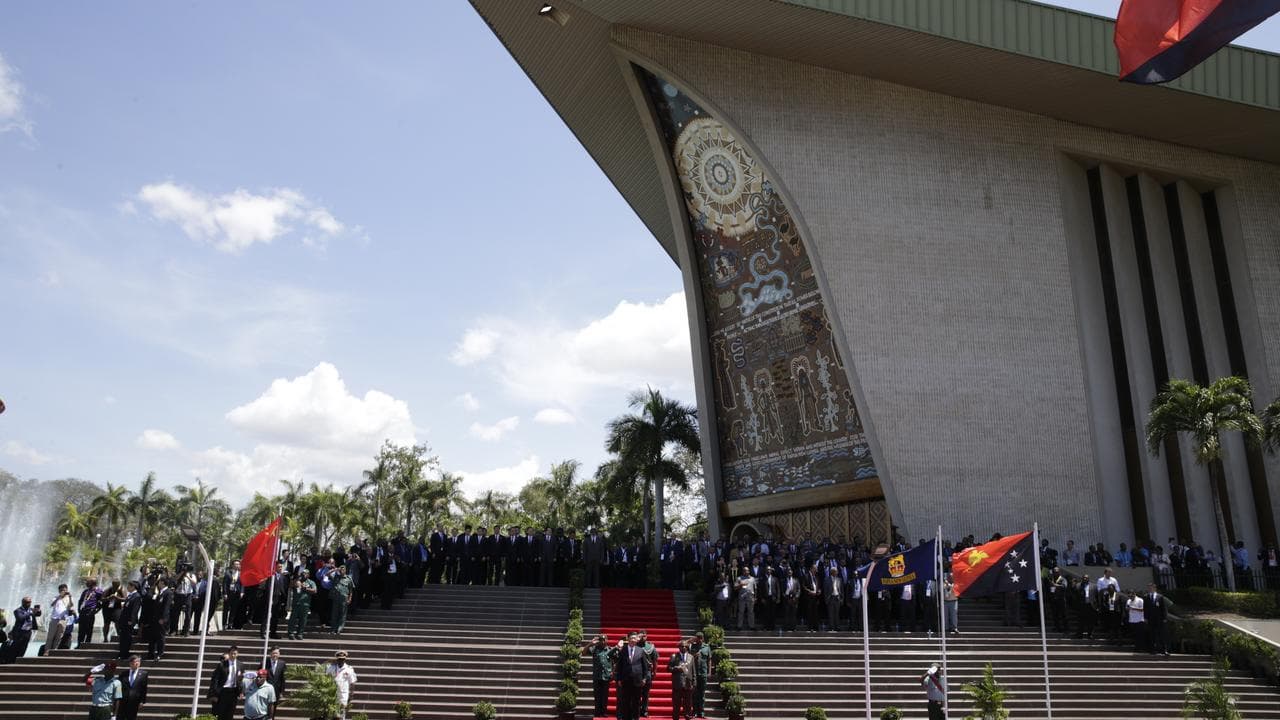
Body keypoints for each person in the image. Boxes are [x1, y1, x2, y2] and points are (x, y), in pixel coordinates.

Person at [614, 632, 650, 720]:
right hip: (625, 680)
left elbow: (645, 666)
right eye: (631, 638)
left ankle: (636, 718)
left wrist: (645, 678)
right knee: (626, 701)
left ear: (637, 640)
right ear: (628, 639)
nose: (633, 640)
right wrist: (618, 679)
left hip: (637, 681)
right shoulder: (623, 650)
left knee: (636, 702)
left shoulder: (640, 650)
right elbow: (619, 666)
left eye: (635, 638)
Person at [208, 645, 242, 720]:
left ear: (237, 654)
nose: (233, 655)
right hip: (223, 692)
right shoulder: (222, 664)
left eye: (235, 653)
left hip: (234, 692)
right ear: (229, 654)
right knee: (221, 714)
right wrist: (215, 693)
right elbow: (215, 680)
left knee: (230, 713)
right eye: (231, 653)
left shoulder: (240, 664)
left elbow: (241, 678)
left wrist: (241, 691)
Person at [325, 650, 358, 720]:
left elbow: (352, 682)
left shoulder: (349, 669)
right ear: (337, 659)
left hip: (343, 693)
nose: (341, 661)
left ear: (345, 659)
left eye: (342, 659)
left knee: (342, 711)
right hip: (332, 693)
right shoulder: (331, 668)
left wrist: (351, 695)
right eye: (339, 659)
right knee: (332, 712)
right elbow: (325, 679)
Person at [668, 640, 695, 720]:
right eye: (681, 646)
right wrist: (676, 668)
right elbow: (668, 668)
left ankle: (687, 716)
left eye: (685, 646)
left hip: (688, 684)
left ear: (687, 648)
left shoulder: (691, 657)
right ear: (679, 647)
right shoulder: (674, 656)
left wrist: (694, 683)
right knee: (676, 704)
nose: (683, 648)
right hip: (677, 684)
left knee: (688, 704)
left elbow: (693, 671)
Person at [587, 634, 613, 717]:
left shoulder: (610, 650)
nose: (603, 641)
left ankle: (604, 712)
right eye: (601, 639)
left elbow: (615, 661)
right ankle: (597, 712)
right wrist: (590, 644)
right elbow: (583, 652)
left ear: (607, 640)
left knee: (605, 696)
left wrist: (613, 672)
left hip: (606, 675)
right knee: (597, 695)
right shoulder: (595, 649)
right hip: (597, 676)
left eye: (604, 639)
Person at [45, 584, 76, 654]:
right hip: (54, 618)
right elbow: (52, 604)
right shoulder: (56, 597)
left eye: (65, 590)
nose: (63, 591)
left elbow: (71, 605)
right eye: (62, 590)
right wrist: (59, 596)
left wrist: (70, 597)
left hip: (63, 619)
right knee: (50, 636)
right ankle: (46, 651)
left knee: (59, 637)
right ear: (59, 591)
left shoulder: (68, 598)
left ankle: (54, 651)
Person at [8, 597, 41, 661]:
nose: (29, 604)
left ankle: (19, 660)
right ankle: (11, 660)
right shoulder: (18, 610)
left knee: (24, 647)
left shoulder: (31, 609)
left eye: (30, 602)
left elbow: (38, 614)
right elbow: (20, 618)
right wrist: (30, 613)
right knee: (16, 646)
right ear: (23, 603)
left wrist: (38, 610)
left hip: (28, 632)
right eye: (27, 602)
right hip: (19, 632)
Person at [287, 570, 316, 640]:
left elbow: (314, 590)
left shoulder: (311, 582)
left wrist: (306, 588)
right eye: (303, 573)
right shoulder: (297, 580)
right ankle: (291, 633)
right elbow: (290, 586)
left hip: (305, 604)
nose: (304, 574)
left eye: (306, 573)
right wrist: (295, 582)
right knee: (292, 619)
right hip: (296, 603)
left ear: (308, 575)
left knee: (303, 620)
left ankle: (300, 633)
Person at [117, 655, 148, 720]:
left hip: (135, 701)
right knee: (120, 717)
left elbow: (144, 688)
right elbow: (119, 687)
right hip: (123, 700)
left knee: (132, 717)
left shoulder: (144, 674)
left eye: (138, 661)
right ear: (130, 663)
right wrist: (117, 699)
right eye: (135, 662)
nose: (137, 663)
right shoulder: (123, 674)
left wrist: (142, 701)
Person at [116, 582, 142, 659]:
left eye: (129, 586)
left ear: (133, 587)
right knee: (123, 637)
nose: (127, 587)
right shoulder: (130, 596)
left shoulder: (137, 596)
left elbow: (135, 610)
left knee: (127, 638)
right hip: (124, 620)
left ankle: (125, 653)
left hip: (129, 621)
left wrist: (132, 620)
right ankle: (121, 653)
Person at [77, 579, 104, 647]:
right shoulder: (86, 591)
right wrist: (79, 609)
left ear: (93, 583)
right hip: (83, 612)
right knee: (81, 630)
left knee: (88, 629)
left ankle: (87, 644)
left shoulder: (98, 591)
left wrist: (96, 611)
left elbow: (102, 602)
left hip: (90, 612)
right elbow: (80, 600)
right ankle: (79, 644)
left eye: (88, 582)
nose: (86, 583)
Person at [690, 631, 711, 718]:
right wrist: (691, 640)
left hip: (703, 672)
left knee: (702, 694)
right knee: (694, 693)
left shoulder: (707, 647)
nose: (698, 640)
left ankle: (701, 712)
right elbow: (689, 657)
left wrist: (709, 672)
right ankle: (694, 711)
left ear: (702, 638)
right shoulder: (693, 646)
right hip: (695, 673)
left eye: (700, 638)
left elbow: (709, 660)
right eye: (697, 638)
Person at [262, 646, 287, 715]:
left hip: (276, 690)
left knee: (273, 709)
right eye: (273, 653)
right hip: (265, 689)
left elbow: (283, 678)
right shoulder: (264, 662)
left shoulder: (282, 663)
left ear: (279, 654)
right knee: (264, 708)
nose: (275, 655)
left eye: (276, 653)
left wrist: (282, 691)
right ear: (270, 654)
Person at [330, 565, 355, 634]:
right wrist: (335, 570)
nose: (342, 570)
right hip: (336, 598)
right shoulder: (336, 577)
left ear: (345, 570)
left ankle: (339, 629)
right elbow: (327, 574)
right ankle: (333, 629)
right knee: (334, 614)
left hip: (344, 599)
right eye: (341, 569)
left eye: (343, 569)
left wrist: (350, 598)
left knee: (342, 615)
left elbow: (350, 590)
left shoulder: (348, 579)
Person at [1145, 583, 1169, 655]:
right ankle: (1153, 650)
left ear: (1155, 588)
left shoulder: (1160, 597)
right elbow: (1145, 608)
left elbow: (1163, 608)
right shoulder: (1146, 597)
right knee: (1152, 635)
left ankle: (1164, 650)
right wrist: (1145, 618)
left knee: (1161, 634)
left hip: (1159, 619)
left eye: (1151, 587)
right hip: (1150, 619)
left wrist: (1164, 618)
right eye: (1149, 587)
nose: (1150, 589)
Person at [639, 629, 658, 717]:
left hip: (647, 672)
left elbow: (655, 660)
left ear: (647, 636)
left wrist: (654, 671)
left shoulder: (650, 646)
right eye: (641, 635)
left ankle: (645, 710)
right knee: (637, 693)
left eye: (644, 635)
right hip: (637, 672)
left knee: (646, 694)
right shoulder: (635, 645)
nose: (643, 637)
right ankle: (637, 710)